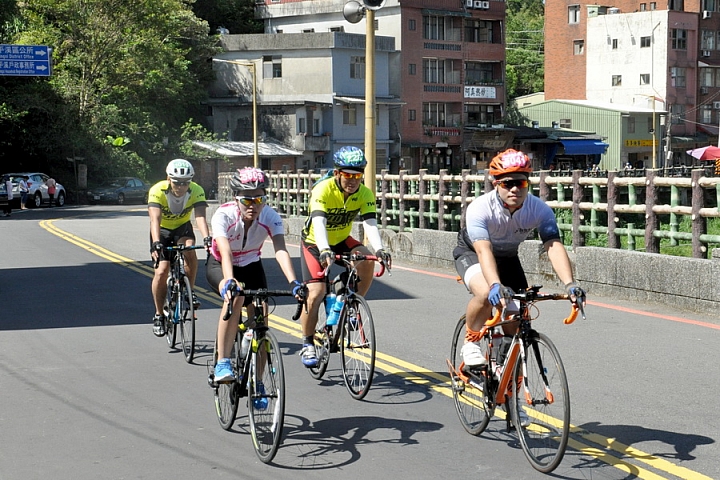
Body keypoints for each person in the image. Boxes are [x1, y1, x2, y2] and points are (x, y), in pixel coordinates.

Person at [453, 148, 585, 370]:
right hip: (472, 254)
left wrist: (570, 284)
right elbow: (484, 251)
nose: (514, 188)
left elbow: (553, 245)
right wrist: (495, 284)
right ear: (496, 183)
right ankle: (471, 342)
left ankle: (505, 379)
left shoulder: (539, 209)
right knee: (486, 293)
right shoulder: (480, 208)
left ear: (528, 184)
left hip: (507, 258)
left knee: (517, 317)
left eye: (521, 183)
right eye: (507, 183)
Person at [207, 167, 305, 386]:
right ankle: (222, 361)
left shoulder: (270, 216)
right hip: (222, 264)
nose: (253, 205)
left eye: (258, 199)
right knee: (236, 298)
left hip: (252, 264)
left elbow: (280, 249)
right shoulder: (224, 215)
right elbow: (225, 251)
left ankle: (258, 382)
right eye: (247, 200)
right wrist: (230, 280)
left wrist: (294, 282)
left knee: (261, 320)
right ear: (236, 198)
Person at [297, 146, 392, 367]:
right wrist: (324, 250)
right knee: (316, 292)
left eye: (357, 175)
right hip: (314, 242)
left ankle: (352, 302)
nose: (352, 180)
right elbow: (319, 224)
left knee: (367, 260)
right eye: (347, 175)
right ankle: (307, 343)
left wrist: (380, 250)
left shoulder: (365, 193)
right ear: (337, 173)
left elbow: (370, 224)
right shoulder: (323, 189)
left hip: (341, 238)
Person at [148, 158, 211, 337]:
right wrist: (156, 242)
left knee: (189, 250)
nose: (181, 187)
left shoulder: (196, 190)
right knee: (162, 270)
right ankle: (159, 315)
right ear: (168, 179)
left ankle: (189, 292)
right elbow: (155, 219)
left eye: (185, 183)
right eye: (177, 182)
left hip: (183, 229)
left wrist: (207, 238)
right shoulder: (157, 190)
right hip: (162, 231)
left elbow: (200, 217)